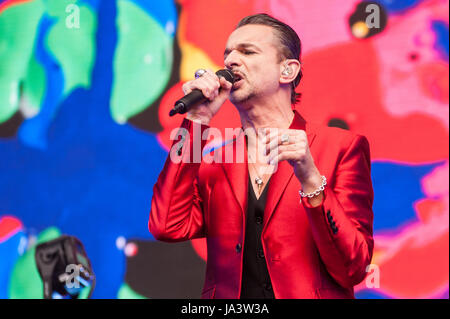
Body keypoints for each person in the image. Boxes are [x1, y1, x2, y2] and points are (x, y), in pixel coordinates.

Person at [149, 13, 374, 299]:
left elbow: (353, 268)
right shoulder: (215, 161)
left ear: (287, 71)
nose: (230, 61)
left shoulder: (341, 147)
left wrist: (310, 179)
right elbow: (166, 225)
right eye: (227, 54)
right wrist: (196, 119)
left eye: (247, 51)